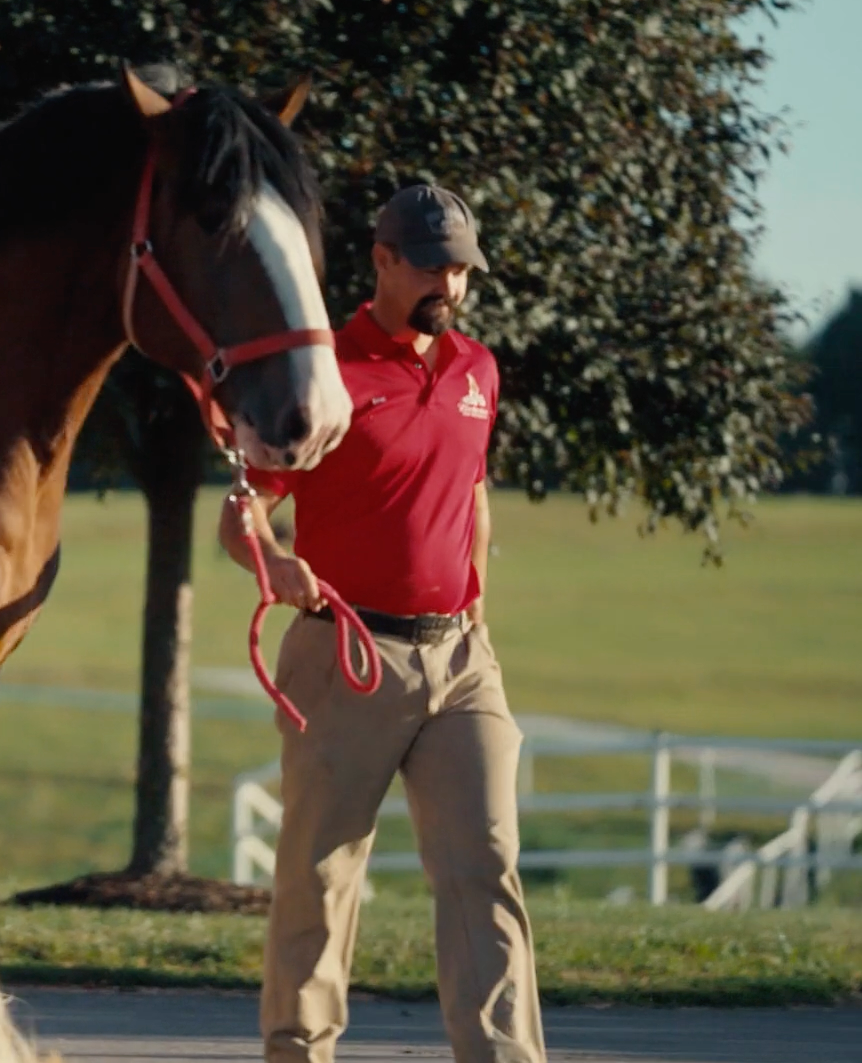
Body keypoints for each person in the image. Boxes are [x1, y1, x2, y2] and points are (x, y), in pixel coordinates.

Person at [220, 184, 546, 1063]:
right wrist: (272, 562)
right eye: (434, 264)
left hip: (461, 660)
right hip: (345, 656)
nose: (452, 282)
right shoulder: (323, 372)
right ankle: (299, 1052)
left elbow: (470, 493)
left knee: (485, 866)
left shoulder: (477, 369)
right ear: (383, 259)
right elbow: (240, 514)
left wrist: (473, 604)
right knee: (320, 880)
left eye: (461, 267)